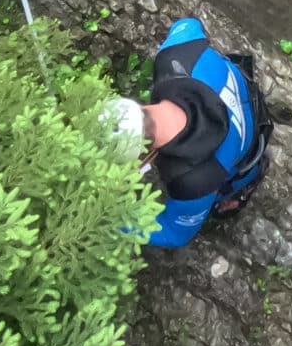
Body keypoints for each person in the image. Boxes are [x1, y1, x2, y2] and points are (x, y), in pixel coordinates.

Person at [107, 17, 273, 247]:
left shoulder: (193, 180)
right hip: (246, 93)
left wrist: (113, 221)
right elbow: (189, 24)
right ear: (139, 107)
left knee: (224, 191)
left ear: (143, 152)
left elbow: (174, 234)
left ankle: (240, 191)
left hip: (246, 152)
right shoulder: (175, 56)